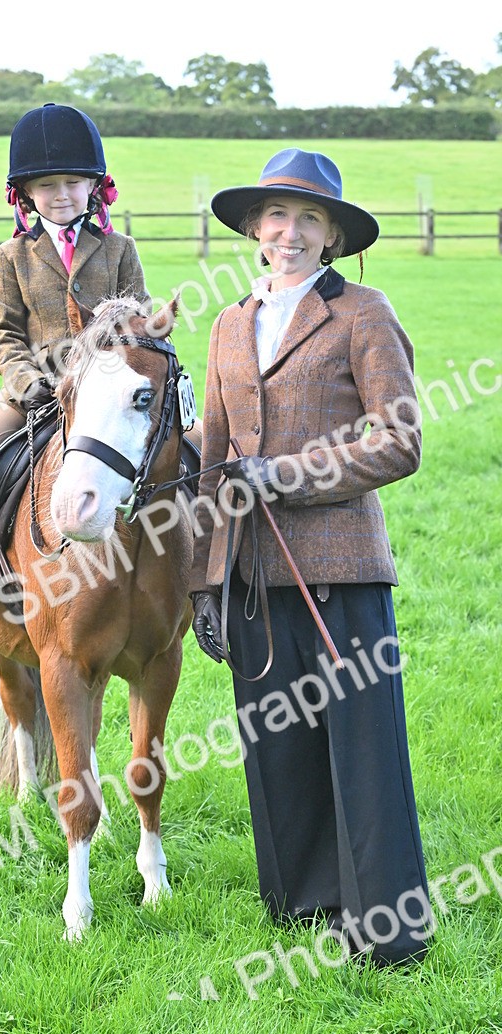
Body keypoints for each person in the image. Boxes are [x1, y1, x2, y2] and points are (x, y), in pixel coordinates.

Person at [190, 147, 431, 966]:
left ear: (332, 238)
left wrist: (285, 478)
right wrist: (205, 582)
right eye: (278, 217)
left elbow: (400, 443)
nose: (290, 233)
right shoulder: (227, 324)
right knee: (276, 748)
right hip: (253, 577)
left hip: (342, 569)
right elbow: (215, 460)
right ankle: (304, 907)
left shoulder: (362, 312)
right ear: (257, 230)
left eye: (310, 220)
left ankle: (388, 933)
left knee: (362, 751)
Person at [0, 103, 150, 594]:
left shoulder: (120, 250)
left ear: (93, 186)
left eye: (73, 182)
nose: (62, 195)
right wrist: (27, 381)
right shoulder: (10, 256)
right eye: (48, 185)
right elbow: (4, 333)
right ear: (26, 193)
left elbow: (140, 324)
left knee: (177, 441)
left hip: (105, 390)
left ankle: (190, 545)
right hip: (36, 393)